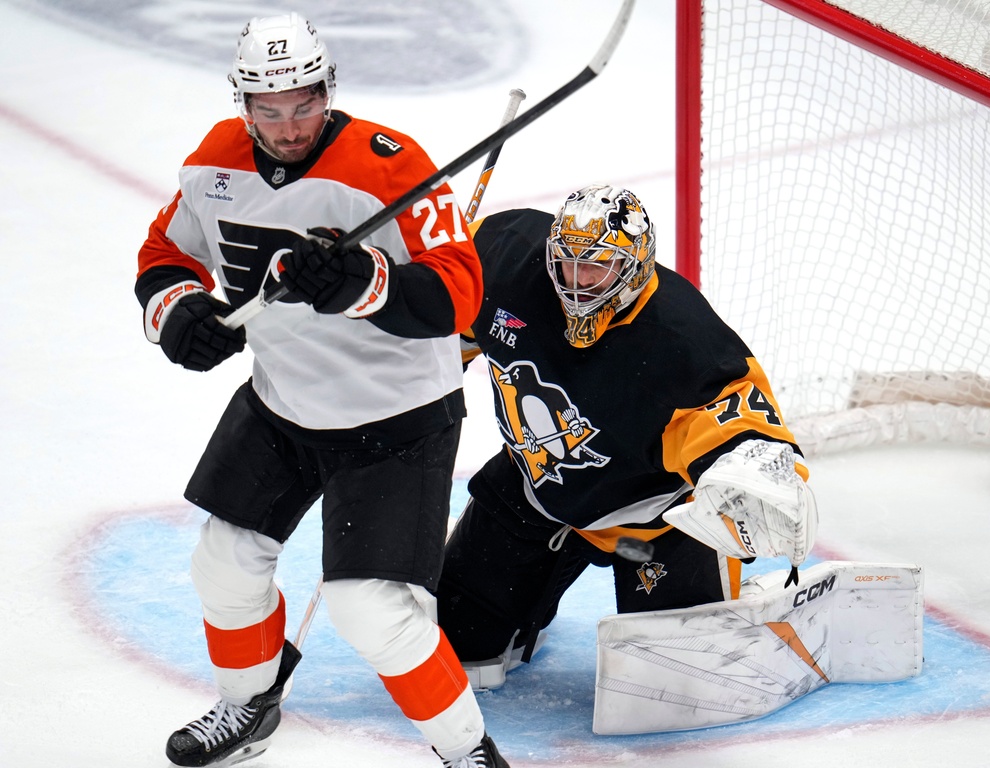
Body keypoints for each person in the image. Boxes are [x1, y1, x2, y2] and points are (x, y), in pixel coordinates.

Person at [134, 13, 509, 768]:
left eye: (303, 103)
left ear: (327, 89)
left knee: (371, 608)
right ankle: (249, 706)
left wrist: (362, 280)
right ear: (243, 103)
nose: (288, 124)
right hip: (281, 403)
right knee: (224, 560)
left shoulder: (390, 165)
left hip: (395, 418)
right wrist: (176, 312)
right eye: (268, 109)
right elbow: (166, 250)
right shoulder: (214, 163)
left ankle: (468, 753)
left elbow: (461, 295)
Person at [435, 184, 817, 691]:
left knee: (675, 683)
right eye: (567, 264)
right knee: (452, 648)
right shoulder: (503, 257)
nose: (578, 283)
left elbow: (738, 422)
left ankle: (733, 599)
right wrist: (429, 324)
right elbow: (446, 307)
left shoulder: (681, 337)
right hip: (534, 490)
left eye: (597, 266)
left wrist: (753, 473)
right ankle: (523, 602)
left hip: (650, 525)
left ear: (635, 264)